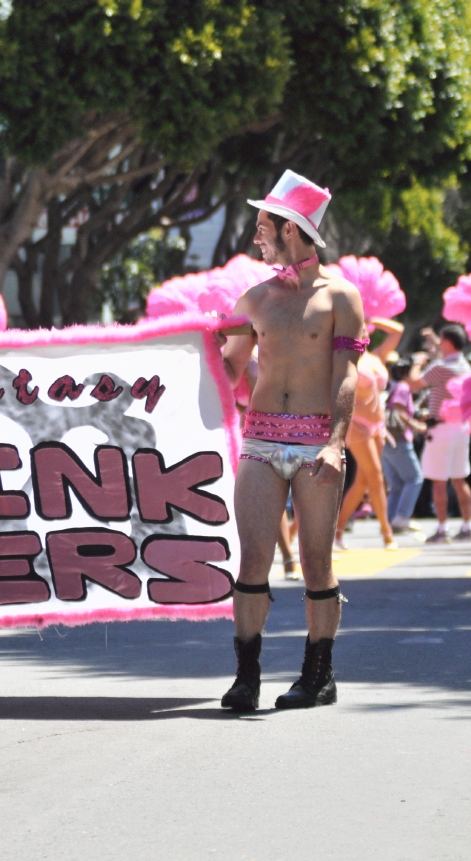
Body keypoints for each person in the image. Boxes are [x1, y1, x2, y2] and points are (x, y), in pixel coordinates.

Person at [218, 170, 365, 712]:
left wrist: (335, 443)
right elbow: (227, 370)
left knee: (316, 563)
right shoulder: (253, 299)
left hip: (316, 447)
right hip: (259, 442)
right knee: (253, 557)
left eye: (264, 227)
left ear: (292, 231)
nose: (257, 237)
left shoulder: (341, 298)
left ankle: (318, 675)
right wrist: (194, 349)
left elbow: (345, 375)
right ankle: (247, 676)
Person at [333, 333, 397, 550]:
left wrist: (374, 316)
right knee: (376, 476)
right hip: (357, 424)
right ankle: (387, 533)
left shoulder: (377, 356)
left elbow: (397, 331)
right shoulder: (345, 358)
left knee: (363, 482)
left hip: (378, 426)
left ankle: (337, 531)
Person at [408, 323, 471, 543]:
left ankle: (442, 529)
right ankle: (467, 525)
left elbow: (414, 383)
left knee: (438, 482)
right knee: (460, 480)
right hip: (460, 429)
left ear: (447, 342)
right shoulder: (465, 366)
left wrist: (417, 363)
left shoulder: (439, 367)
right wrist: (437, 343)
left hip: (440, 429)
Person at [383, 356, 425, 532]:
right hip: (399, 440)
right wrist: (417, 425)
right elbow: (399, 411)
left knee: (397, 483)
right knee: (415, 479)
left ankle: (390, 521)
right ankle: (402, 517)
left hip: (387, 441)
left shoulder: (393, 386)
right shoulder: (402, 387)